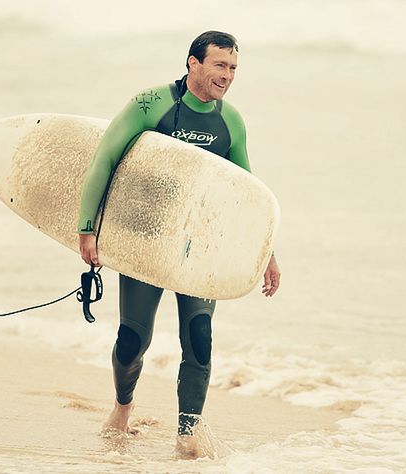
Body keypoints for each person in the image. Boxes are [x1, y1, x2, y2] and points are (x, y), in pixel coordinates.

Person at [76, 31, 281, 456]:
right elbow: (105, 158)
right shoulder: (152, 105)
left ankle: (187, 433)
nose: (227, 76)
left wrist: (268, 255)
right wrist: (86, 227)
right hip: (146, 241)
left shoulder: (231, 122)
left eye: (233, 68)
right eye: (220, 65)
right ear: (193, 63)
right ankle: (122, 407)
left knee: (200, 337)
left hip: (200, 247)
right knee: (132, 339)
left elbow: (248, 195)